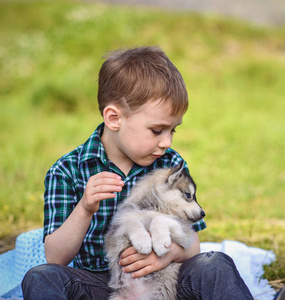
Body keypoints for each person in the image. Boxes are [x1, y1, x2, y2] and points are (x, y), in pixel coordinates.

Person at [21, 46, 256, 299]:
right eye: (157, 130)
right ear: (114, 118)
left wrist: (170, 256)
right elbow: (56, 258)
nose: (167, 142)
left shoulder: (170, 167)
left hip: (167, 282)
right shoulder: (67, 170)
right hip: (105, 286)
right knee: (41, 276)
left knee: (214, 263)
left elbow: (193, 247)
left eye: (173, 130)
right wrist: (86, 207)